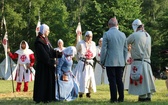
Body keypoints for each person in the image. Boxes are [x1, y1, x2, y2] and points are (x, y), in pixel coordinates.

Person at [127, 19, 156, 102]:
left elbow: (125, 42)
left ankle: (142, 97)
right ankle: (148, 96)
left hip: (138, 61)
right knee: (147, 81)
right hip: (147, 61)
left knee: (141, 81)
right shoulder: (148, 35)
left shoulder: (134, 35)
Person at [100, 17, 127, 103]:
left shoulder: (107, 34)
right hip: (120, 61)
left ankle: (114, 98)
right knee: (120, 80)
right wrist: (123, 59)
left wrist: (102, 61)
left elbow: (104, 49)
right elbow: (125, 49)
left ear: (109, 25)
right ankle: (121, 98)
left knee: (112, 81)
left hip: (110, 61)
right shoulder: (123, 35)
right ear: (117, 25)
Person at [33, 24, 62, 103]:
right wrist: (52, 62)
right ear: (45, 31)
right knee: (43, 82)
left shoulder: (46, 40)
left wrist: (60, 54)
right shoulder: (39, 41)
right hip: (43, 66)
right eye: (48, 30)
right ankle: (42, 98)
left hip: (48, 65)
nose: (49, 32)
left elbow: (50, 51)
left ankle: (49, 97)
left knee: (48, 82)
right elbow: (43, 55)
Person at [73, 31, 97, 98]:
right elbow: (75, 52)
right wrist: (79, 60)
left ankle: (89, 92)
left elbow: (94, 52)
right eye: (88, 36)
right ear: (85, 36)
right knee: (82, 78)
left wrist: (91, 56)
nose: (89, 38)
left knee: (90, 78)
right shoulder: (80, 43)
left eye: (90, 37)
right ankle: (81, 92)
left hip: (90, 63)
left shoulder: (93, 43)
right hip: (82, 63)